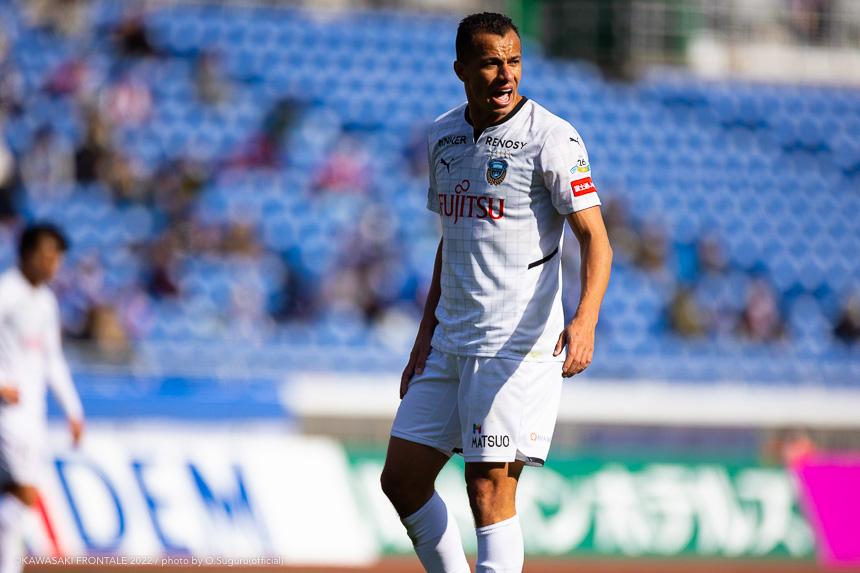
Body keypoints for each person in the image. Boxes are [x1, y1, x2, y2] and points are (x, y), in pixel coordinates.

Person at [380, 13, 612, 573]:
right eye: (490, 62)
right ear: (461, 69)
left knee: (487, 489)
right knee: (402, 480)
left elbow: (596, 239)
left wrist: (585, 320)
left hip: (514, 343)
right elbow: (452, 240)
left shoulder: (551, 137)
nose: (506, 75)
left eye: (514, 61)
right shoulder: (442, 135)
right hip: (449, 341)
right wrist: (423, 337)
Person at [0, 224, 84, 573]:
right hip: (9, 413)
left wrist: (73, 409)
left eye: (57, 257)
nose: (52, 264)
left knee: (13, 498)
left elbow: (53, 360)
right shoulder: (7, 292)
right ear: (26, 254)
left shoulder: (46, 301)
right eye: (46, 255)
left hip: (33, 414)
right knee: (25, 497)